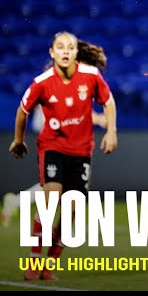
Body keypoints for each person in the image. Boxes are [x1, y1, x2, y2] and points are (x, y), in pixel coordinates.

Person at [9, 31, 118, 281]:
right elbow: (23, 110)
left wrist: (111, 131)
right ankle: (34, 261)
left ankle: (49, 265)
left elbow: (108, 102)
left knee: (73, 212)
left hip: (81, 151)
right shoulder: (42, 82)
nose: (65, 51)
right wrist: (18, 140)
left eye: (70, 47)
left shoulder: (90, 76)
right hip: (53, 148)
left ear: (76, 52)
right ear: (52, 52)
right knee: (51, 201)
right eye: (60, 47)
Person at [2, 106, 108, 228]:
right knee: (63, 182)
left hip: (62, 134)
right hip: (54, 133)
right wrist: (98, 119)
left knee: (62, 182)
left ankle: (17, 201)